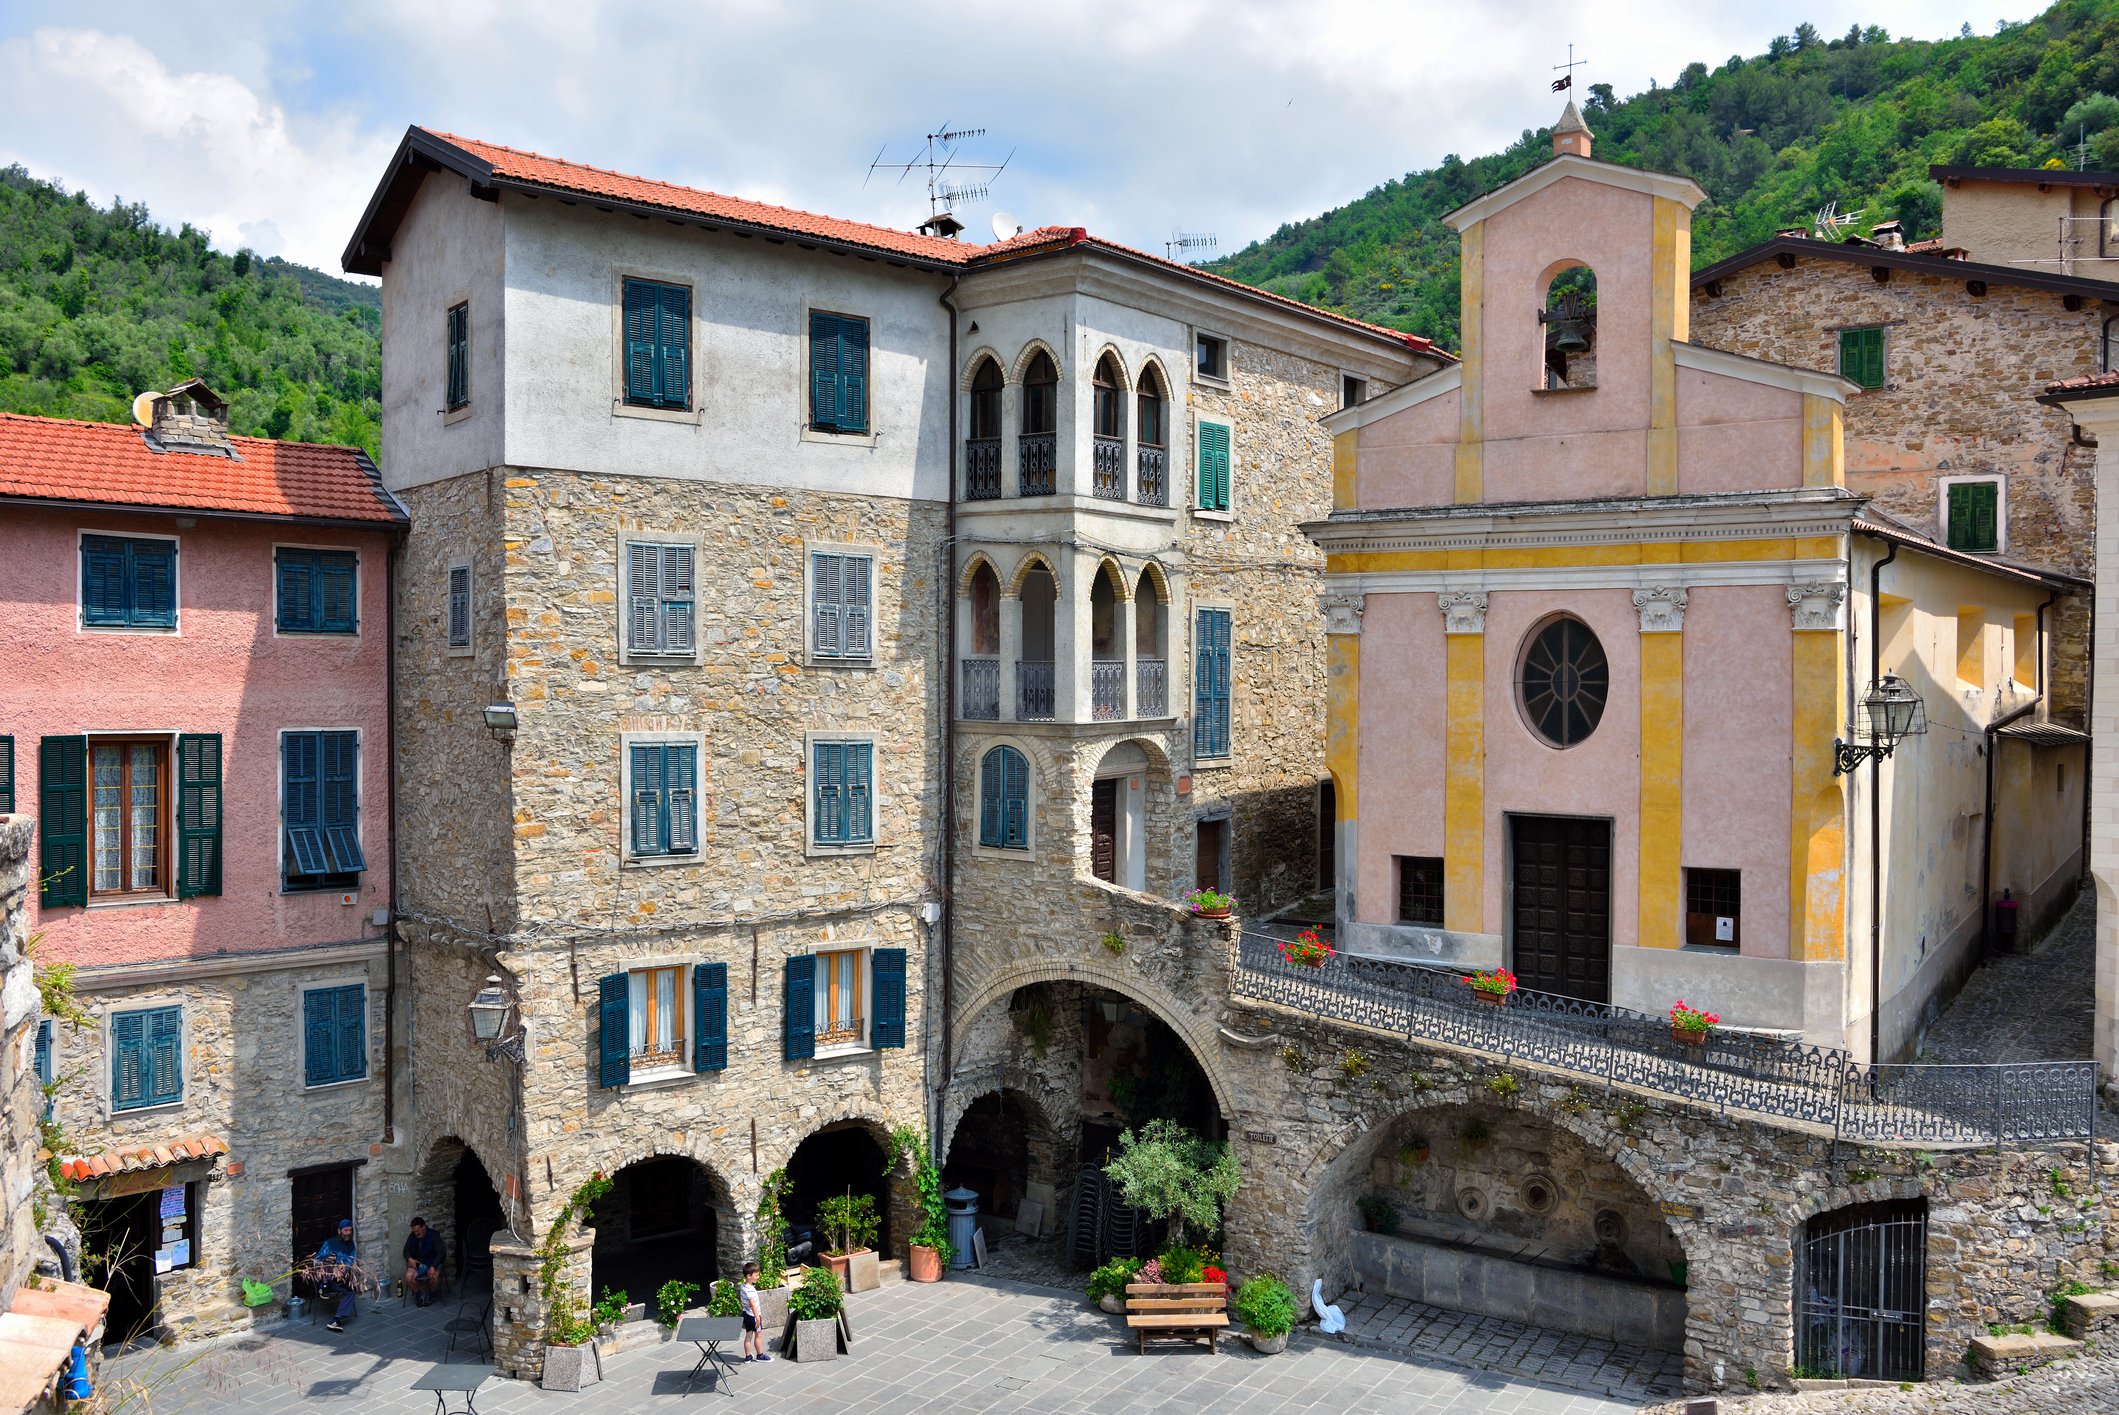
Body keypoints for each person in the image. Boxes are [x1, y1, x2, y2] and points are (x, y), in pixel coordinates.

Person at [315, 1219, 361, 1332]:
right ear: (339, 1231)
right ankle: (323, 1287)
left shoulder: (351, 1246)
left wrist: (345, 1266)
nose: (348, 1233)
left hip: (339, 1280)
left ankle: (337, 1319)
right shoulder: (330, 1243)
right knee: (330, 1259)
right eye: (346, 1230)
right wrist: (332, 1266)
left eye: (350, 1230)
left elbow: (351, 1260)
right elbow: (317, 1261)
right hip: (325, 1277)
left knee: (351, 1289)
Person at [403, 1217, 446, 1307]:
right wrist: (410, 1259)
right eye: (414, 1231)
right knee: (408, 1277)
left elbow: (441, 1253)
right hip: (420, 1264)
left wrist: (434, 1266)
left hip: (433, 1263)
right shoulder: (412, 1235)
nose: (416, 1233)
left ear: (424, 1227)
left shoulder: (433, 1235)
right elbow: (406, 1250)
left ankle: (431, 1294)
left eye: (418, 1230)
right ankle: (419, 1293)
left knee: (434, 1278)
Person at [739, 1261, 770, 1362]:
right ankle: (760, 1355)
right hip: (753, 1315)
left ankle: (748, 1357)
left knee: (748, 1335)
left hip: (746, 1314)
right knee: (758, 1335)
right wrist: (757, 1318)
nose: (758, 1277)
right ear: (749, 1276)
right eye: (756, 1275)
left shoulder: (743, 1287)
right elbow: (753, 1305)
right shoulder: (750, 1290)